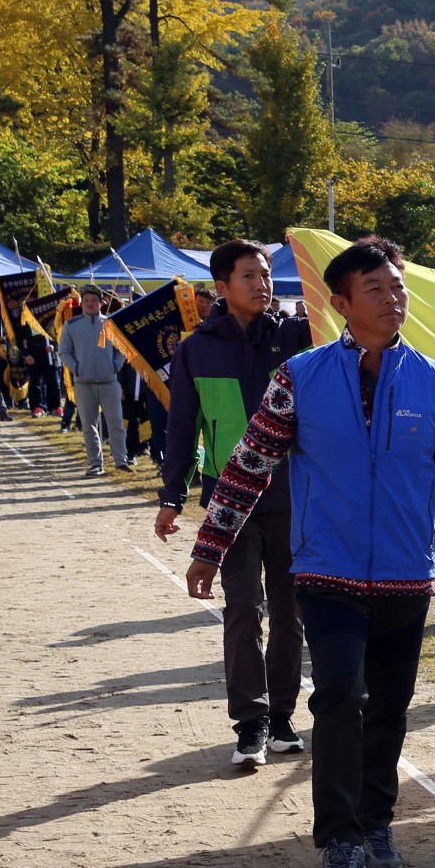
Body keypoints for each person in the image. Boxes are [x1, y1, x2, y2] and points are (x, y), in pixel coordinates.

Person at [186, 235, 435, 868]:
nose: (395, 299)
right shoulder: (299, 378)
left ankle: (376, 822)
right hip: (326, 573)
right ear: (340, 303)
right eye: (378, 289)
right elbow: (249, 465)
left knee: (389, 708)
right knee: (339, 695)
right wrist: (209, 545)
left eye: (399, 287)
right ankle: (339, 841)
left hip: (406, 574)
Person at [158, 241, 314, 767]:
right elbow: (180, 430)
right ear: (221, 288)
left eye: (266, 275)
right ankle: (250, 724)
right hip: (232, 505)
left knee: (291, 613)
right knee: (243, 609)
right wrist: (171, 497)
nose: (262, 284)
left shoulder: (296, 339)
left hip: (294, 496)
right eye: (249, 276)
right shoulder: (195, 350)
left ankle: (284, 717)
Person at [58, 287, 130, 476]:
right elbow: (64, 350)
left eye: (94, 300)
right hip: (84, 384)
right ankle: (96, 463)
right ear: (82, 303)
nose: (90, 304)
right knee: (89, 425)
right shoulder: (71, 325)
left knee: (116, 423)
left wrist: (114, 366)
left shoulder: (110, 324)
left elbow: (122, 349)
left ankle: (121, 461)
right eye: (87, 300)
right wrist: (76, 368)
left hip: (109, 382)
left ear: (101, 303)